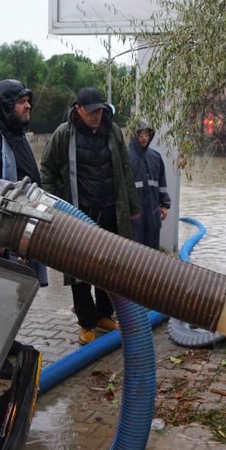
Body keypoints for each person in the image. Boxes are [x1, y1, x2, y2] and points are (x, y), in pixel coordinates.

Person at [40, 87, 141, 345]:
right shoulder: (64, 134)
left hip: (111, 211)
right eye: (92, 111)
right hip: (78, 213)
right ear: (79, 110)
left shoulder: (113, 131)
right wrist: (53, 205)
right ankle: (86, 322)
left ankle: (104, 314)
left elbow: (125, 170)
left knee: (110, 267)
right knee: (80, 269)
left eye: (100, 110)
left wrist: (132, 205)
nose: (97, 115)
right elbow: (48, 171)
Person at [0, 78, 48, 286]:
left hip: (18, 235)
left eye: (28, 100)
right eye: (22, 101)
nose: (28, 105)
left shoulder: (15, 135)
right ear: (6, 105)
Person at [128, 120, 171, 249]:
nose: (144, 138)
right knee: (135, 249)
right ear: (134, 136)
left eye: (146, 134)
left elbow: (161, 182)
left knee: (153, 250)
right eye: (140, 134)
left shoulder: (155, 157)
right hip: (135, 214)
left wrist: (164, 205)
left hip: (153, 212)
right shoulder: (126, 157)